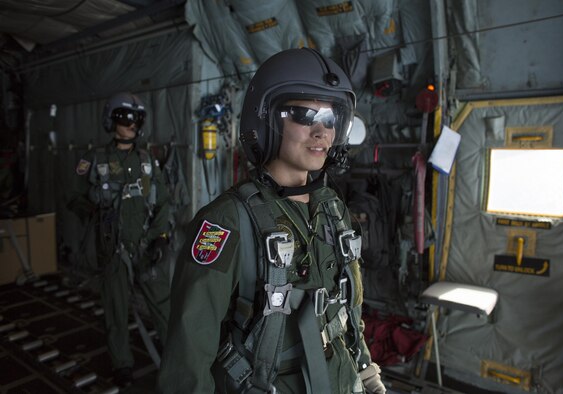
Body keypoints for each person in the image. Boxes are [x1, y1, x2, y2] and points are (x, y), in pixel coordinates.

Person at [158, 48, 387, 394]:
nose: (321, 131)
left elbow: (346, 311)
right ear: (265, 118)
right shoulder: (228, 221)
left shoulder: (332, 209)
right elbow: (188, 355)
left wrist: (367, 376)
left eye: (330, 117)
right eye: (303, 113)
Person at [68, 92, 171, 387]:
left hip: (146, 245)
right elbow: (73, 197)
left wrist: (161, 237)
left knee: (163, 305)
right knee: (115, 308)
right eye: (126, 118)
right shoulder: (93, 160)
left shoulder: (147, 161)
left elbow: (163, 201)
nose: (132, 125)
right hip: (112, 248)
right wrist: (96, 213)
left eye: (137, 119)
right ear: (111, 120)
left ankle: (174, 352)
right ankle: (122, 364)